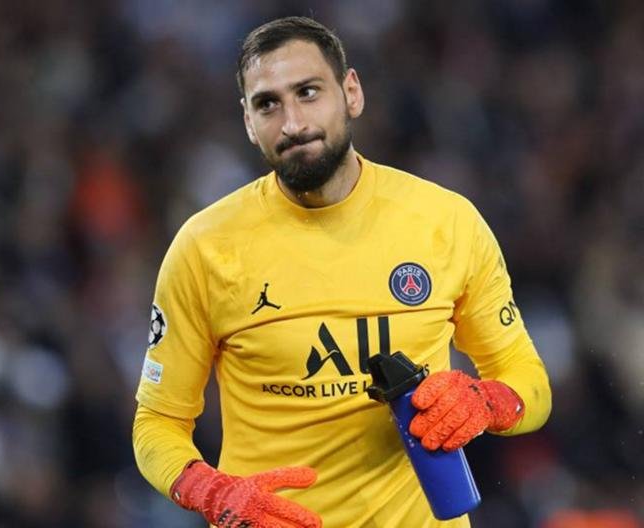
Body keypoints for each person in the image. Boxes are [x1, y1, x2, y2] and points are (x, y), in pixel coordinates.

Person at [132, 16, 551, 528]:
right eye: (268, 104)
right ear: (248, 121)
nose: (292, 123)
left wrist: (487, 402)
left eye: (308, 92)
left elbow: (528, 380)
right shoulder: (204, 247)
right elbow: (156, 422)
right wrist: (208, 487)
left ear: (351, 92)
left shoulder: (447, 222)